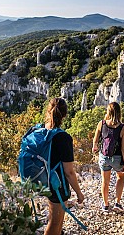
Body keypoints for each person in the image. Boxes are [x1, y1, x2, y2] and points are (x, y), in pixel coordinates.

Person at [44, 98, 85, 235]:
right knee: (55, 222)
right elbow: (69, 172)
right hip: (57, 184)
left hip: (45, 179)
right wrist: (79, 193)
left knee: (57, 221)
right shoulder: (63, 137)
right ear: (65, 115)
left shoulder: (42, 131)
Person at [92, 102, 124, 212]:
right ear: (119, 113)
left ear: (108, 112)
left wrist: (94, 147)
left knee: (105, 181)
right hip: (117, 158)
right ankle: (117, 203)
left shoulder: (102, 123)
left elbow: (95, 139)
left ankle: (106, 205)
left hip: (104, 157)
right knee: (120, 177)